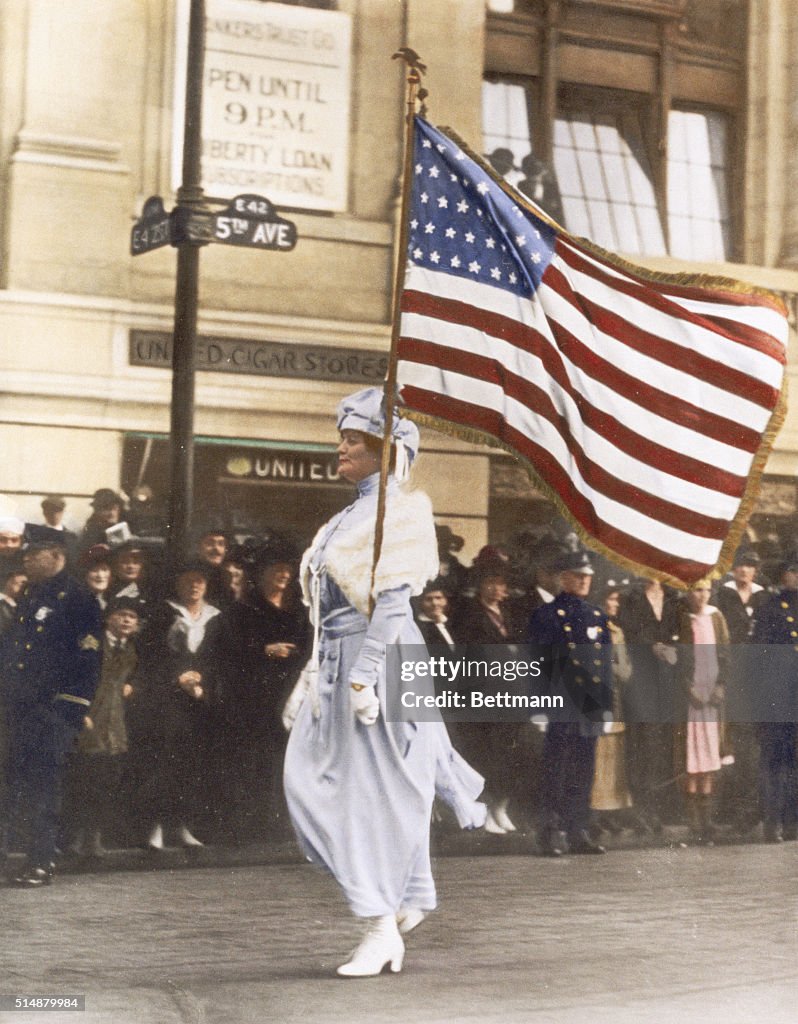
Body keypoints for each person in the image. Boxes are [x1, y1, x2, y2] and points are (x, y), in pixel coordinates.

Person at [283, 387, 485, 978]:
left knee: (376, 794)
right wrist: (314, 671)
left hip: (382, 661)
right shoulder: (348, 515)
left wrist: (365, 679)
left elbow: (394, 603)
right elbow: (327, 609)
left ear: (385, 451)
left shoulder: (401, 509)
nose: (341, 448)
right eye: (344, 437)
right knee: (328, 787)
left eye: (354, 440)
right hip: (344, 661)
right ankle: (407, 898)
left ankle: (379, 926)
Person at [0, 537, 102, 886]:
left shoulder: (78, 598)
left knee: (44, 787)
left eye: (34, 555)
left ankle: (41, 861)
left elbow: (88, 660)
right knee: (11, 784)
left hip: (53, 710)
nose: (26, 561)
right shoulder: (32, 594)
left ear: (56, 556)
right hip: (20, 708)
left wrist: (69, 710)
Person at [132, 561, 225, 851]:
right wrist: (178, 676)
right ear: (178, 584)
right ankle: (155, 827)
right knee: (163, 761)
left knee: (191, 763)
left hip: (201, 699)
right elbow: (150, 657)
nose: (194, 586)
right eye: (188, 581)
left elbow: (223, 658)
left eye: (199, 581)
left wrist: (202, 678)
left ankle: (182, 826)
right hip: (167, 698)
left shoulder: (217, 617)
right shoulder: (164, 613)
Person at [224, 538, 310, 841]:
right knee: (254, 759)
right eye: (277, 570)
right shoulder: (244, 610)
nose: (284, 575)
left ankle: (282, 824)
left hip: (291, 693)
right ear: (262, 573)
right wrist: (264, 650)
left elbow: (311, 648)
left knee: (288, 760)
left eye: (288, 571)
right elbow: (229, 650)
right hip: (255, 695)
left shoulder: (299, 611)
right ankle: (250, 825)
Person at [528, 550, 613, 856]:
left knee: (583, 769)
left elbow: (604, 665)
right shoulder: (547, 615)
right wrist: (537, 707)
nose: (583, 581)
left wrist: (606, 705)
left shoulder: (595, 615)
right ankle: (550, 831)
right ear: (563, 578)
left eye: (587, 576)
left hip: (588, 704)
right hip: (559, 703)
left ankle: (578, 830)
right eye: (577, 575)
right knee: (557, 769)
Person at [450, 547, 528, 835]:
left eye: (501, 584)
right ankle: (484, 809)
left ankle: (501, 807)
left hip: (512, 694)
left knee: (510, 755)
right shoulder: (469, 614)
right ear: (481, 584)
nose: (497, 589)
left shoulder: (509, 613)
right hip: (482, 694)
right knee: (486, 755)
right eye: (491, 583)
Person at [65, 596, 141, 858]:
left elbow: (127, 679)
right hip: (91, 717)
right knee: (82, 779)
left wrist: (129, 686)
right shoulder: (92, 643)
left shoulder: (130, 649)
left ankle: (93, 840)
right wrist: (80, 711)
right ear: (109, 618)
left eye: (132, 617)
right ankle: (73, 840)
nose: (127, 620)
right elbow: (74, 676)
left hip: (113, 723)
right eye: (121, 615)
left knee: (105, 782)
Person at [675, 579, 730, 845]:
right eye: (697, 590)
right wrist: (688, 689)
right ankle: (693, 819)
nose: (702, 595)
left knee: (710, 755)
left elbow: (726, 654)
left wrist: (720, 686)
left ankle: (707, 820)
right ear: (689, 593)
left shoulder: (716, 617)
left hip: (712, 695)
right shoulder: (685, 620)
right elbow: (679, 661)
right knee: (691, 756)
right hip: (693, 696)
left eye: (706, 590)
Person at [750, 556, 798, 843]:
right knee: (775, 761)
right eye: (792, 570)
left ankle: (792, 822)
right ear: (783, 575)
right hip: (776, 696)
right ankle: (773, 822)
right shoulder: (769, 608)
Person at [589, 585, 633, 834]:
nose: (614, 605)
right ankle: (592, 813)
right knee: (595, 756)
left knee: (613, 759)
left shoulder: (616, 632)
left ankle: (609, 813)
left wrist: (611, 668)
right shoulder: (590, 629)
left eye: (616, 600)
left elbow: (625, 670)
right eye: (610, 599)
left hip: (613, 699)